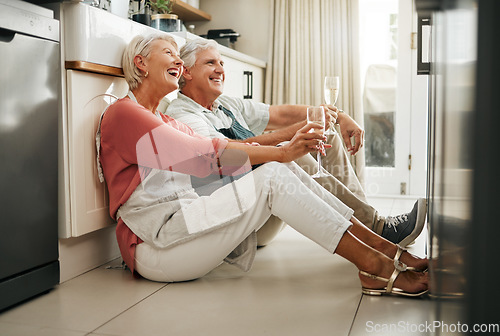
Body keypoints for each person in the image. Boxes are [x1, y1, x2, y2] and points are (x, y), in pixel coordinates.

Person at [97, 33, 428, 297]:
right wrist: (283, 151)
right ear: (140, 63)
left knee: (276, 170)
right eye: (168, 52)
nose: (178, 61)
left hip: (181, 226)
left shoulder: (164, 118)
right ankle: (376, 265)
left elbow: (221, 147)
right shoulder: (124, 114)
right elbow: (206, 159)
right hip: (152, 246)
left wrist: (288, 149)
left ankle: (384, 250)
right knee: (273, 173)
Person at [164, 38, 426, 247]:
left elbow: (280, 114)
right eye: (211, 63)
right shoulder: (184, 114)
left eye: (222, 62)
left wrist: (336, 115)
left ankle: (371, 226)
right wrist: (295, 138)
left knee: (327, 139)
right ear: (186, 71)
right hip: (242, 221)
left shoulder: (226, 105)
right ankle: (377, 229)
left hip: (269, 202)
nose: (221, 69)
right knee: (289, 152)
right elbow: (225, 155)